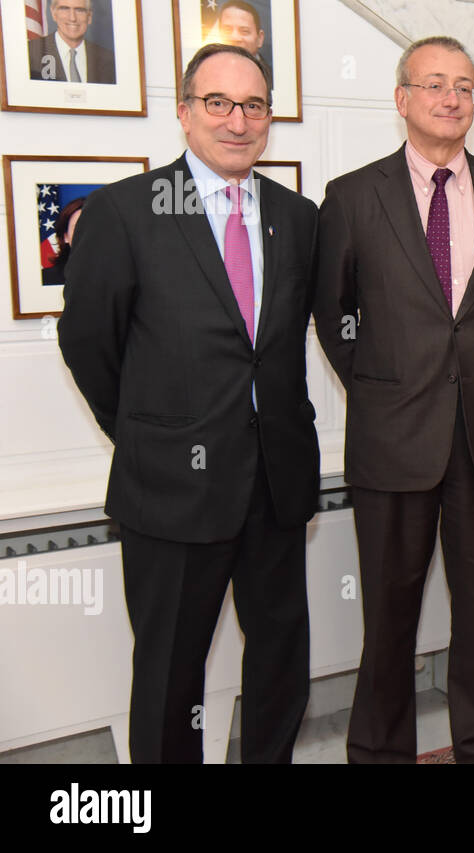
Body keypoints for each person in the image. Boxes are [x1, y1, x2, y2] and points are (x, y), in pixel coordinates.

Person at [58, 43, 320, 762]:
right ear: (184, 112)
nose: (238, 121)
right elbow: (89, 343)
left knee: (279, 667)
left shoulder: (296, 217)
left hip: (276, 483)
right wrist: (153, 433)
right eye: (218, 103)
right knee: (173, 677)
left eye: (254, 105)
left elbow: (284, 346)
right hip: (171, 490)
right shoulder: (126, 211)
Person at [313, 35, 474, 763]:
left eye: (466, 86)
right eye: (435, 84)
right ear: (402, 97)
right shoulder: (352, 196)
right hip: (392, 440)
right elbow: (334, 315)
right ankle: (379, 751)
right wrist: (387, 385)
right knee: (389, 619)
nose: (452, 99)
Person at [28, 0, 116, 84]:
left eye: (79, 10)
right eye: (65, 9)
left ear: (89, 16)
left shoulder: (109, 60)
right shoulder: (31, 53)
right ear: (53, 13)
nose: (72, 18)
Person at [214, 0, 272, 86]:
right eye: (227, 30)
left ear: (260, 38)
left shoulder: (274, 77)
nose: (235, 37)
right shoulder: (208, 72)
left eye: (244, 31)